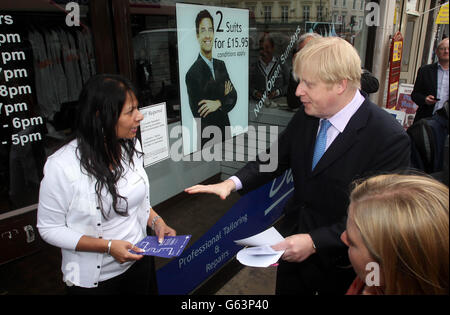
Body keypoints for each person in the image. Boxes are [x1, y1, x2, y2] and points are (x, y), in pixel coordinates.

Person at [185, 37, 411, 295]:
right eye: (298, 81)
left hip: (343, 268)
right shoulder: (308, 115)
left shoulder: (387, 138)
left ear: (341, 84)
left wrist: (315, 242)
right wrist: (231, 183)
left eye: (308, 84)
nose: (297, 92)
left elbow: (382, 223)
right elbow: (275, 157)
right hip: (292, 251)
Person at [37, 74, 176, 294]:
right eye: (130, 112)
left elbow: (134, 201)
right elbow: (49, 228)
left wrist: (156, 221)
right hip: (97, 280)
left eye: (137, 108)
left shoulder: (132, 148)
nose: (139, 116)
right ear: (101, 116)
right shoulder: (62, 166)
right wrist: (108, 247)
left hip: (140, 262)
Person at [341, 174, 449, 295]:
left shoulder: (374, 272)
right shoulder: (374, 275)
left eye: (352, 242)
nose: (342, 237)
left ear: (389, 266)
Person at [185, 9, 237, 148]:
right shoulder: (192, 74)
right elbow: (201, 114)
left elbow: (233, 96)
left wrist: (217, 103)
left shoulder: (221, 65)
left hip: (226, 135)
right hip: (209, 141)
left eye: (210, 30)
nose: (207, 35)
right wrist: (224, 98)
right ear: (197, 35)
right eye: (203, 30)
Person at [287, 34, 378, 109]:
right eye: (304, 52)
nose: (308, 55)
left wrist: (336, 78)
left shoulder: (340, 65)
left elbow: (373, 84)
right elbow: (292, 102)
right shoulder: (299, 73)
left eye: (313, 50)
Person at [411, 38, 449, 124]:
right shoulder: (425, 70)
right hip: (426, 120)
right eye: (442, 48)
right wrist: (425, 99)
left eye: (448, 49)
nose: (446, 51)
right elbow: (415, 95)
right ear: (436, 52)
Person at [250, 34, 290, 107]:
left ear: (273, 48)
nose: (264, 51)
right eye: (262, 48)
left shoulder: (282, 64)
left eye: (267, 47)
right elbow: (247, 86)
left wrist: (278, 92)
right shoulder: (253, 66)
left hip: (278, 106)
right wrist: (255, 93)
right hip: (257, 106)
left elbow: (289, 85)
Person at [287, 33, 321, 109]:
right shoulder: (297, 74)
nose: (306, 55)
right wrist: (296, 69)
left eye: (310, 50)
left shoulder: (327, 75)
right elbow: (292, 103)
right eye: (303, 52)